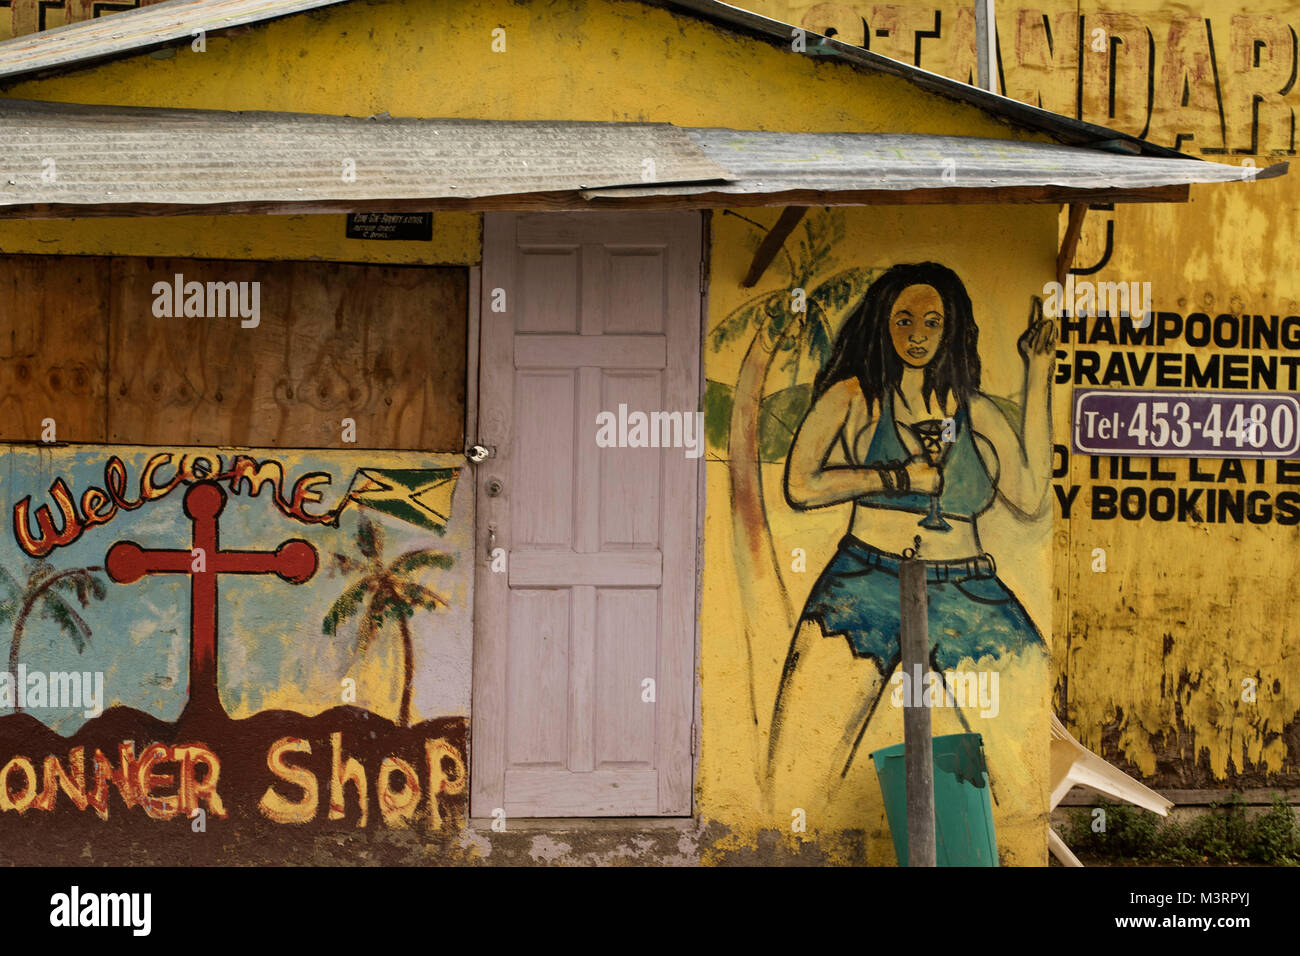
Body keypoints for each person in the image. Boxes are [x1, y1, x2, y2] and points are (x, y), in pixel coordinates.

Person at [766, 261, 1056, 802]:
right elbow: (801, 484)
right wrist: (897, 477)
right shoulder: (856, 396)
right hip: (864, 581)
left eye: (931, 322)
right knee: (797, 774)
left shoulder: (974, 409)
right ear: (883, 323)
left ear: (951, 329)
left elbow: (1032, 492)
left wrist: (1038, 372)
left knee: (1022, 763)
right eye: (903, 321)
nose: (917, 335)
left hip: (968, 590)